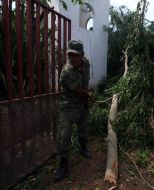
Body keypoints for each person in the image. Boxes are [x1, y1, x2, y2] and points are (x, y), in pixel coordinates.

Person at [54, 40, 92, 181]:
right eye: (70, 55)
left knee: (84, 127)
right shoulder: (67, 71)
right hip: (68, 106)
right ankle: (63, 164)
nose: (73, 58)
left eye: (76, 55)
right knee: (64, 135)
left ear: (82, 55)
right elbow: (80, 91)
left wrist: (87, 95)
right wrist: (89, 94)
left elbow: (85, 83)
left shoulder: (86, 63)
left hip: (82, 104)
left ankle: (83, 148)